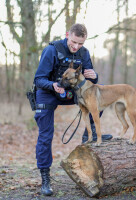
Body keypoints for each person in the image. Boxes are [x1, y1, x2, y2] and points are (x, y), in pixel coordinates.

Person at [33, 23, 112, 196]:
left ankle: (88, 133)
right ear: (67, 34)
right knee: (46, 134)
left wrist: (95, 75)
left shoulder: (84, 53)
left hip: (72, 91)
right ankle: (45, 178)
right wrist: (53, 85)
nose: (76, 47)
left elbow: (89, 79)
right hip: (48, 91)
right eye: (74, 42)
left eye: (80, 44)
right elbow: (38, 79)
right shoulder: (51, 50)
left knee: (99, 97)